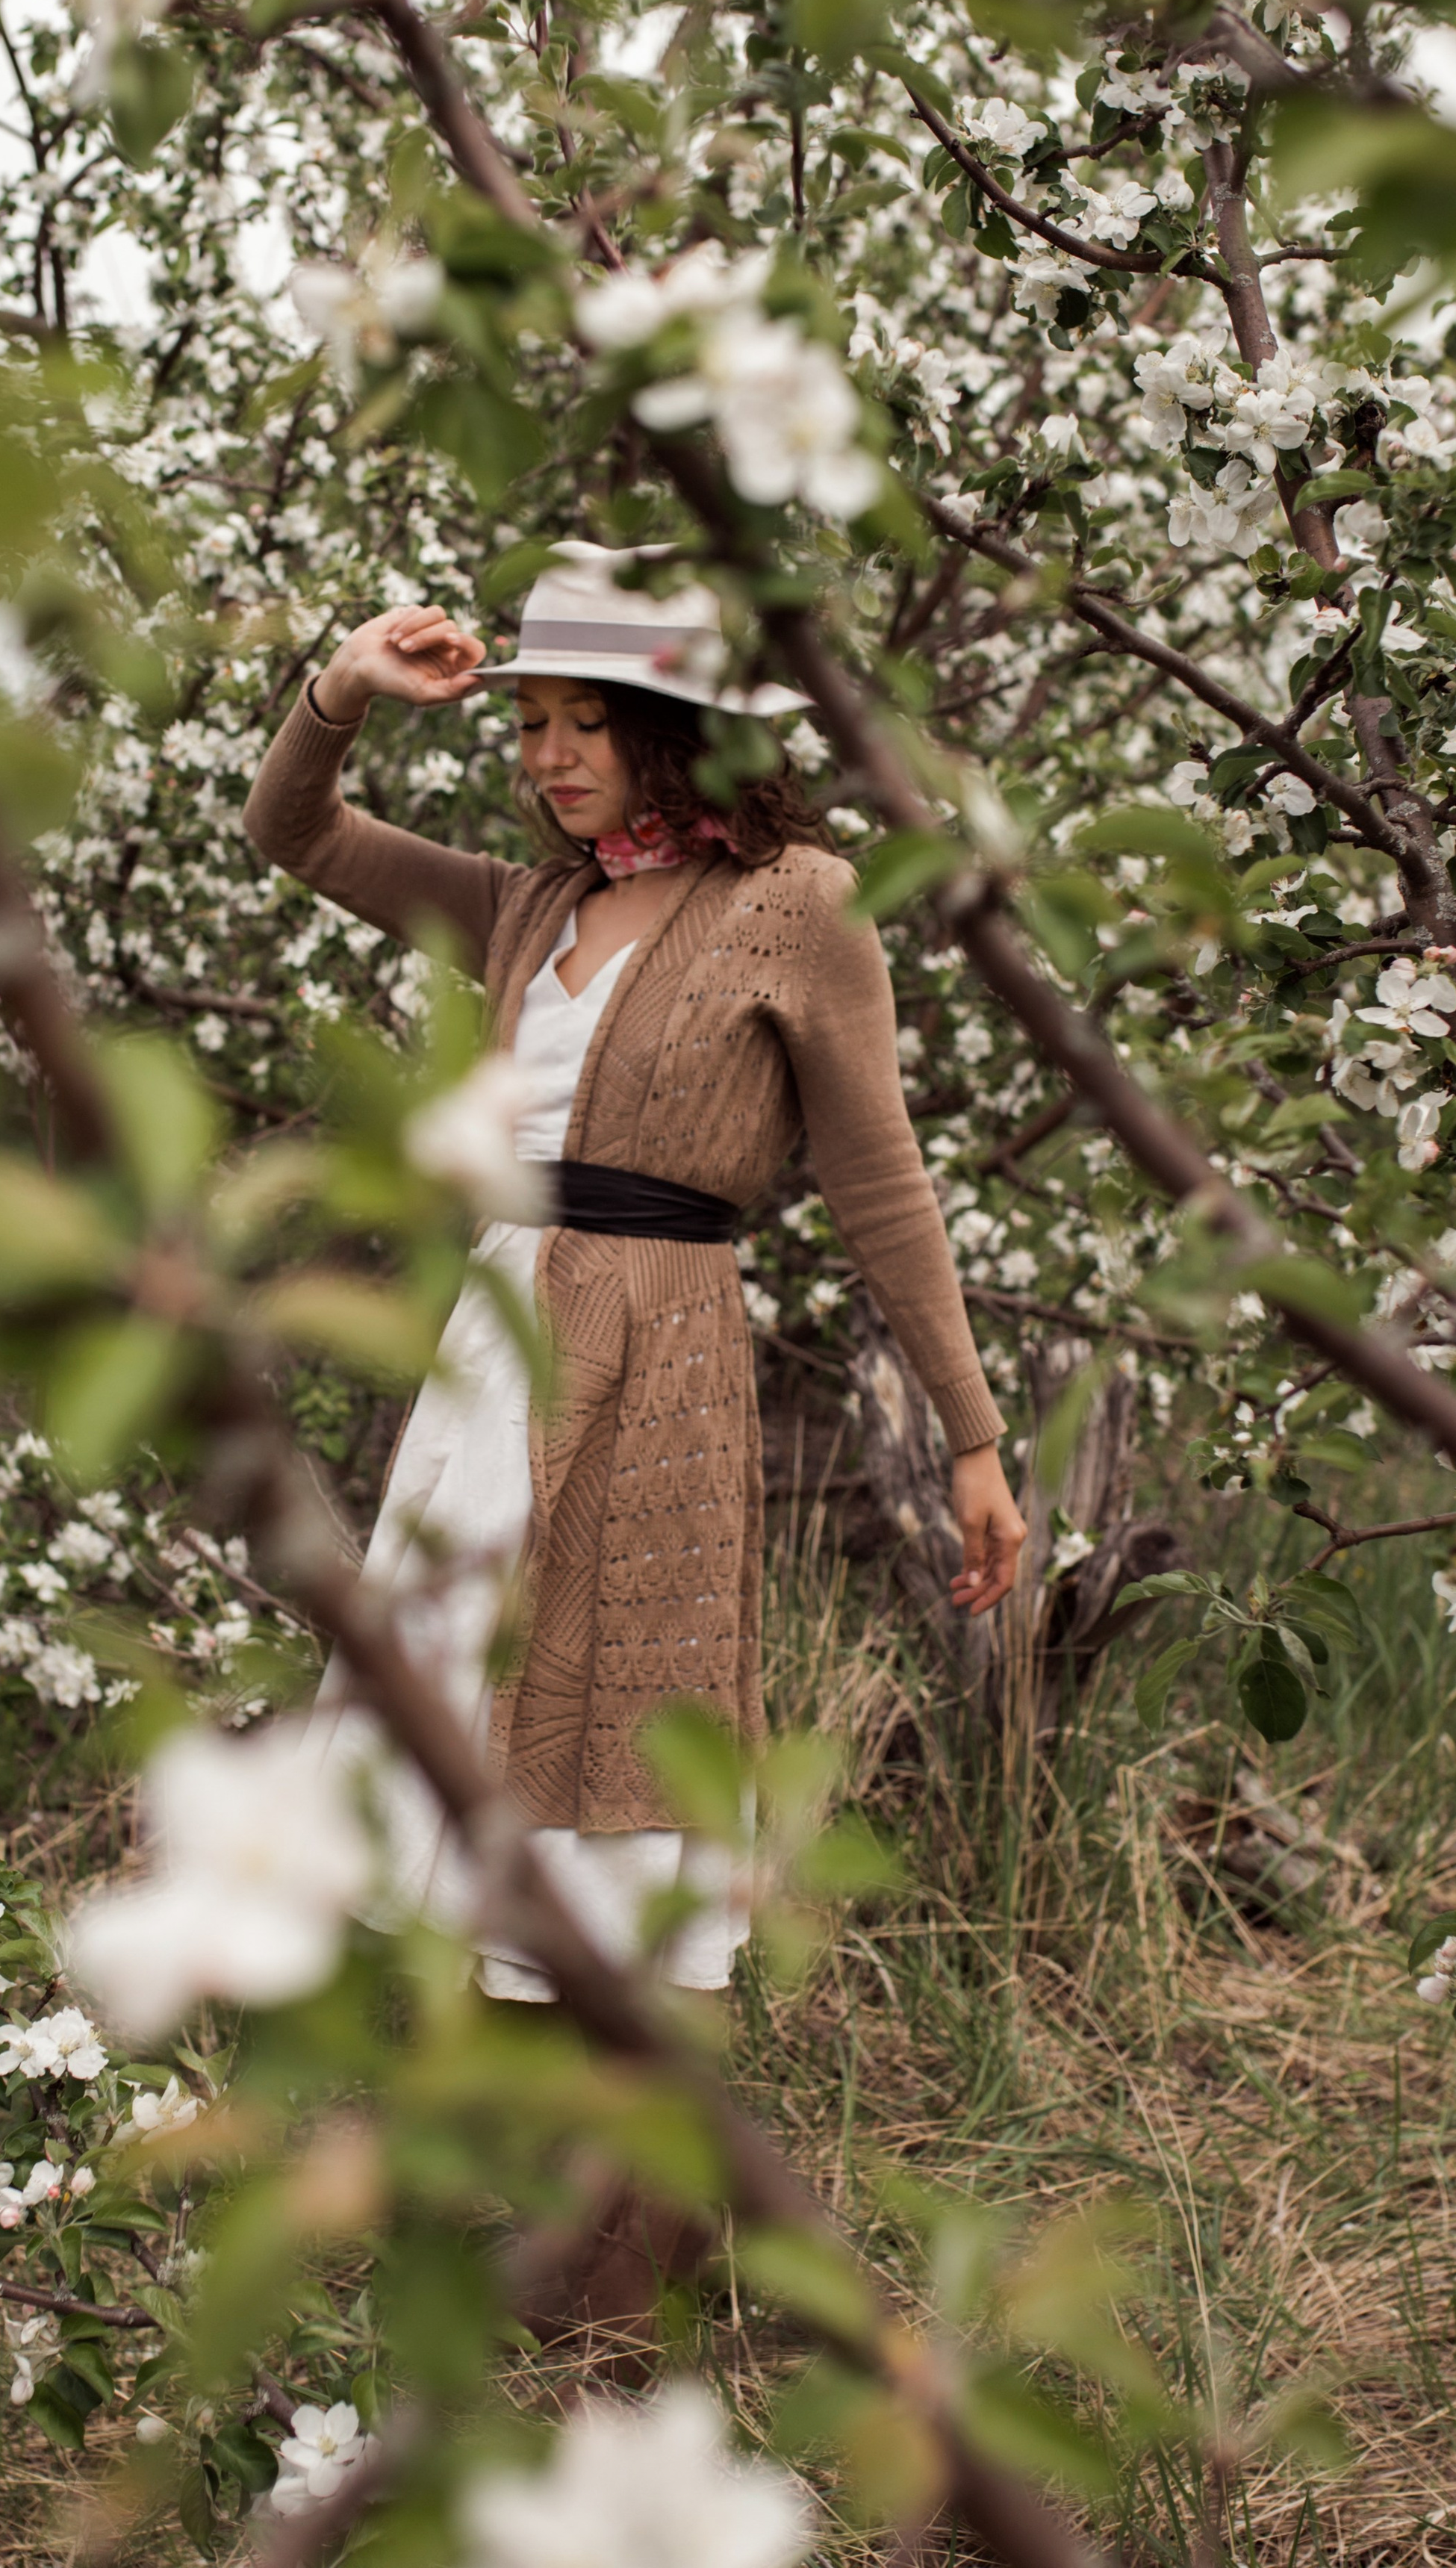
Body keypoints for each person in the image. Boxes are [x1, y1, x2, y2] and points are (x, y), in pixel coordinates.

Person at [243, 542, 1027, 2015]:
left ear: (675, 726)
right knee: (460, 1699)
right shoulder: (522, 906)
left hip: (659, 1347)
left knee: (619, 1708)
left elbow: (879, 1181)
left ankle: (646, 2196)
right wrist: (340, 689)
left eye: (583, 722)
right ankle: (521, 2131)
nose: (547, 758)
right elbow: (294, 832)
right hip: (494, 1355)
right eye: (528, 722)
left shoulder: (798, 900)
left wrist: (969, 1435)